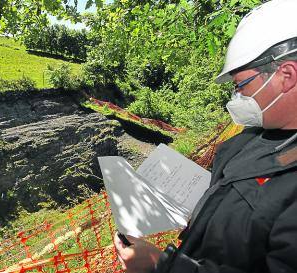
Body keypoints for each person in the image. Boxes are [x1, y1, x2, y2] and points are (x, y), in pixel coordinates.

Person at [113, 1, 297, 272]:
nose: (238, 97)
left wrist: (160, 265)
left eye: (241, 85)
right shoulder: (250, 139)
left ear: (286, 76)